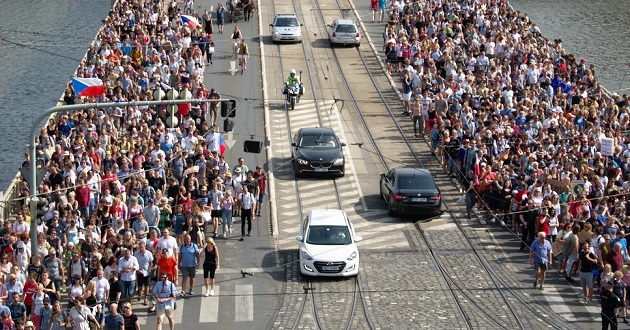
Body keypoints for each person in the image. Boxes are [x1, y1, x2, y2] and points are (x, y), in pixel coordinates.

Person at [133, 241, 153, 305]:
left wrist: (149, 269)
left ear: (145, 247)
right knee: (140, 285)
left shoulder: (149, 253)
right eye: (140, 247)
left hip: (146, 272)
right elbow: (134, 262)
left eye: (142, 247)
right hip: (139, 272)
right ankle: (140, 293)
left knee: (147, 286)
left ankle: (145, 298)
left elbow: (151, 262)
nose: (141, 249)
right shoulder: (136, 253)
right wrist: (137, 270)